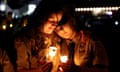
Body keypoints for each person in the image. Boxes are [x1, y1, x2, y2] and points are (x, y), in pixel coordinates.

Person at [15, 0, 66, 72]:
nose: (55, 25)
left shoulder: (57, 39)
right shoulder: (24, 40)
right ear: (41, 18)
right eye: (51, 20)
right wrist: (38, 70)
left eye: (57, 22)